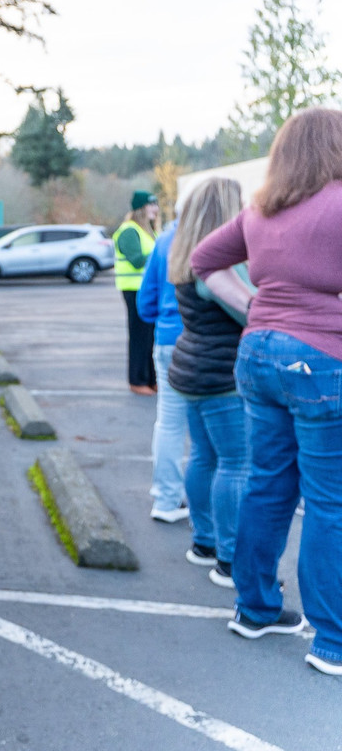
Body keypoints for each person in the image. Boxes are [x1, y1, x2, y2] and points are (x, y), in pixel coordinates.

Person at [191, 107, 342, 678]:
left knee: (268, 484)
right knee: (329, 501)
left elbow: (203, 261)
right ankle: (332, 641)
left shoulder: (260, 210)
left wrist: (253, 304)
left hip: (257, 354)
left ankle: (254, 608)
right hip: (319, 361)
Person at [165, 178, 250, 588]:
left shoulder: (183, 255)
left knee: (203, 456)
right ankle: (229, 559)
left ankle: (204, 542)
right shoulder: (221, 266)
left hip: (191, 369)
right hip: (222, 374)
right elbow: (252, 311)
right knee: (235, 463)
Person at [136, 214, 190, 524]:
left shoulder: (165, 240)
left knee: (169, 424)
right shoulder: (220, 236)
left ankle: (166, 499)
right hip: (208, 345)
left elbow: (145, 303)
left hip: (168, 340)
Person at [113, 189, 161, 394]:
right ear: (141, 208)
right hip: (134, 290)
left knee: (150, 336)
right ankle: (138, 380)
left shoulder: (148, 231)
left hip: (148, 289)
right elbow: (136, 260)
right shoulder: (129, 231)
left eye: (156, 204)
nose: (156, 209)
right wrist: (161, 254)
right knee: (140, 336)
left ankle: (151, 379)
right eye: (151, 205)